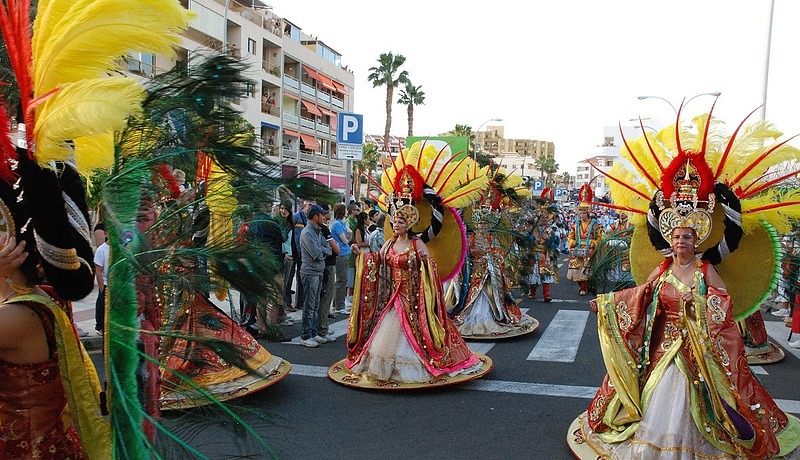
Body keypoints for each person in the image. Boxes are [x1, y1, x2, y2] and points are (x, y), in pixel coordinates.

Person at [570, 105, 800, 459]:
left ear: (697, 242)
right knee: (656, 393)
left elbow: (723, 305)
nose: (681, 243)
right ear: (670, 240)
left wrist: (700, 314)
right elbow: (640, 296)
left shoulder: (707, 268)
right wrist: (606, 305)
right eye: (677, 237)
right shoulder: (661, 269)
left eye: (688, 238)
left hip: (698, 350)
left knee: (702, 398)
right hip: (662, 347)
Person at [298, 204, 335, 347]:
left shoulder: (318, 232)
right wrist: (322, 250)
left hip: (318, 272)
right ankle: (305, 335)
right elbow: (317, 254)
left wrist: (322, 250)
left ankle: (313, 332)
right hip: (310, 272)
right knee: (309, 305)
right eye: (322, 215)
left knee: (315, 305)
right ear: (315, 217)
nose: (324, 217)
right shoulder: (307, 233)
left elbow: (328, 250)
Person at [567, 185, 601, 296]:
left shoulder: (595, 225)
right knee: (575, 270)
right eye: (580, 213)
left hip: (588, 249)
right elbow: (570, 237)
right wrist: (573, 242)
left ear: (588, 213)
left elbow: (600, 237)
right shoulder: (575, 225)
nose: (582, 215)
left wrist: (594, 243)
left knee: (586, 270)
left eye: (584, 213)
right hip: (577, 249)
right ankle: (582, 285)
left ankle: (583, 287)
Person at [317, 204, 339, 341]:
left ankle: (322, 327)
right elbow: (335, 249)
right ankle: (322, 329)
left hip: (325, 265)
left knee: (323, 299)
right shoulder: (323, 229)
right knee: (325, 299)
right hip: (327, 266)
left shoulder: (320, 229)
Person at [292, 198, 315, 310]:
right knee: (291, 278)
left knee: (302, 278)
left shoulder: (310, 220)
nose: (310, 207)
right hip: (294, 251)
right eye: (309, 204)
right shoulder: (296, 217)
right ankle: (290, 302)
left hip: (304, 253)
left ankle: (300, 301)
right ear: (304, 205)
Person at [330, 203, 351, 316]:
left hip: (344, 253)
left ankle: (338, 303)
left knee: (342, 280)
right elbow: (345, 240)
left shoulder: (340, 224)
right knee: (341, 280)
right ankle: (339, 305)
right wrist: (348, 235)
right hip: (341, 254)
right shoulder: (337, 224)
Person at [94, 222, 109, 335]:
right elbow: (98, 271)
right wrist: (102, 288)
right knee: (102, 305)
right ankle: (100, 326)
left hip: (118, 285)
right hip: (106, 284)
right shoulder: (101, 250)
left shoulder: (121, 248)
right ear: (106, 233)